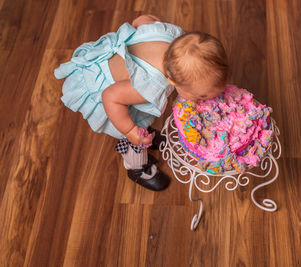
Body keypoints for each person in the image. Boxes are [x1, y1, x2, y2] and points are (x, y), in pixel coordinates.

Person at [54, 14, 228, 191]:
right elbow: (110, 96)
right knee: (136, 137)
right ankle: (137, 168)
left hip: (111, 71)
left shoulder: (173, 36)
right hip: (102, 91)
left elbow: (142, 19)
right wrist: (131, 130)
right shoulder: (150, 84)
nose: (202, 100)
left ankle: (146, 136)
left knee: (138, 120)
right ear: (174, 83)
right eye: (201, 96)